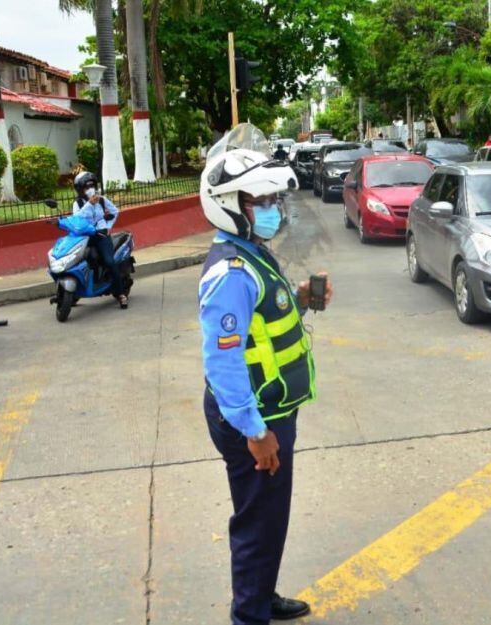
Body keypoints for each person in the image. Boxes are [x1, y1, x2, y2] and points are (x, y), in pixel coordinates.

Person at [198, 147, 333, 625]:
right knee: (258, 524)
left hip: (268, 411)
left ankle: (261, 594)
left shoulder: (251, 253)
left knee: (268, 519)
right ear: (229, 204)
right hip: (253, 418)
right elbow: (223, 363)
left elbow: (260, 324)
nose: (274, 209)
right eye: (262, 201)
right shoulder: (229, 273)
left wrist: (297, 298)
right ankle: (250, 615)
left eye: (275, 199)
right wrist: (255, 433)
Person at [72, 171, 128, 308]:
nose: (90, 190)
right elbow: (77, 218)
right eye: (86, 187)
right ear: (80, 189)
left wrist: (108, 226)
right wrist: (89, 204)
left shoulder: (102, 200)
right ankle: (74, 293)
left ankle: (121, 294)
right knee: (76, 261)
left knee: (109, 261)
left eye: (92, 186)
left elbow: (115, 211)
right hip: (85, 237)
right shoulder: (78, 203)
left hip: (102, 236)